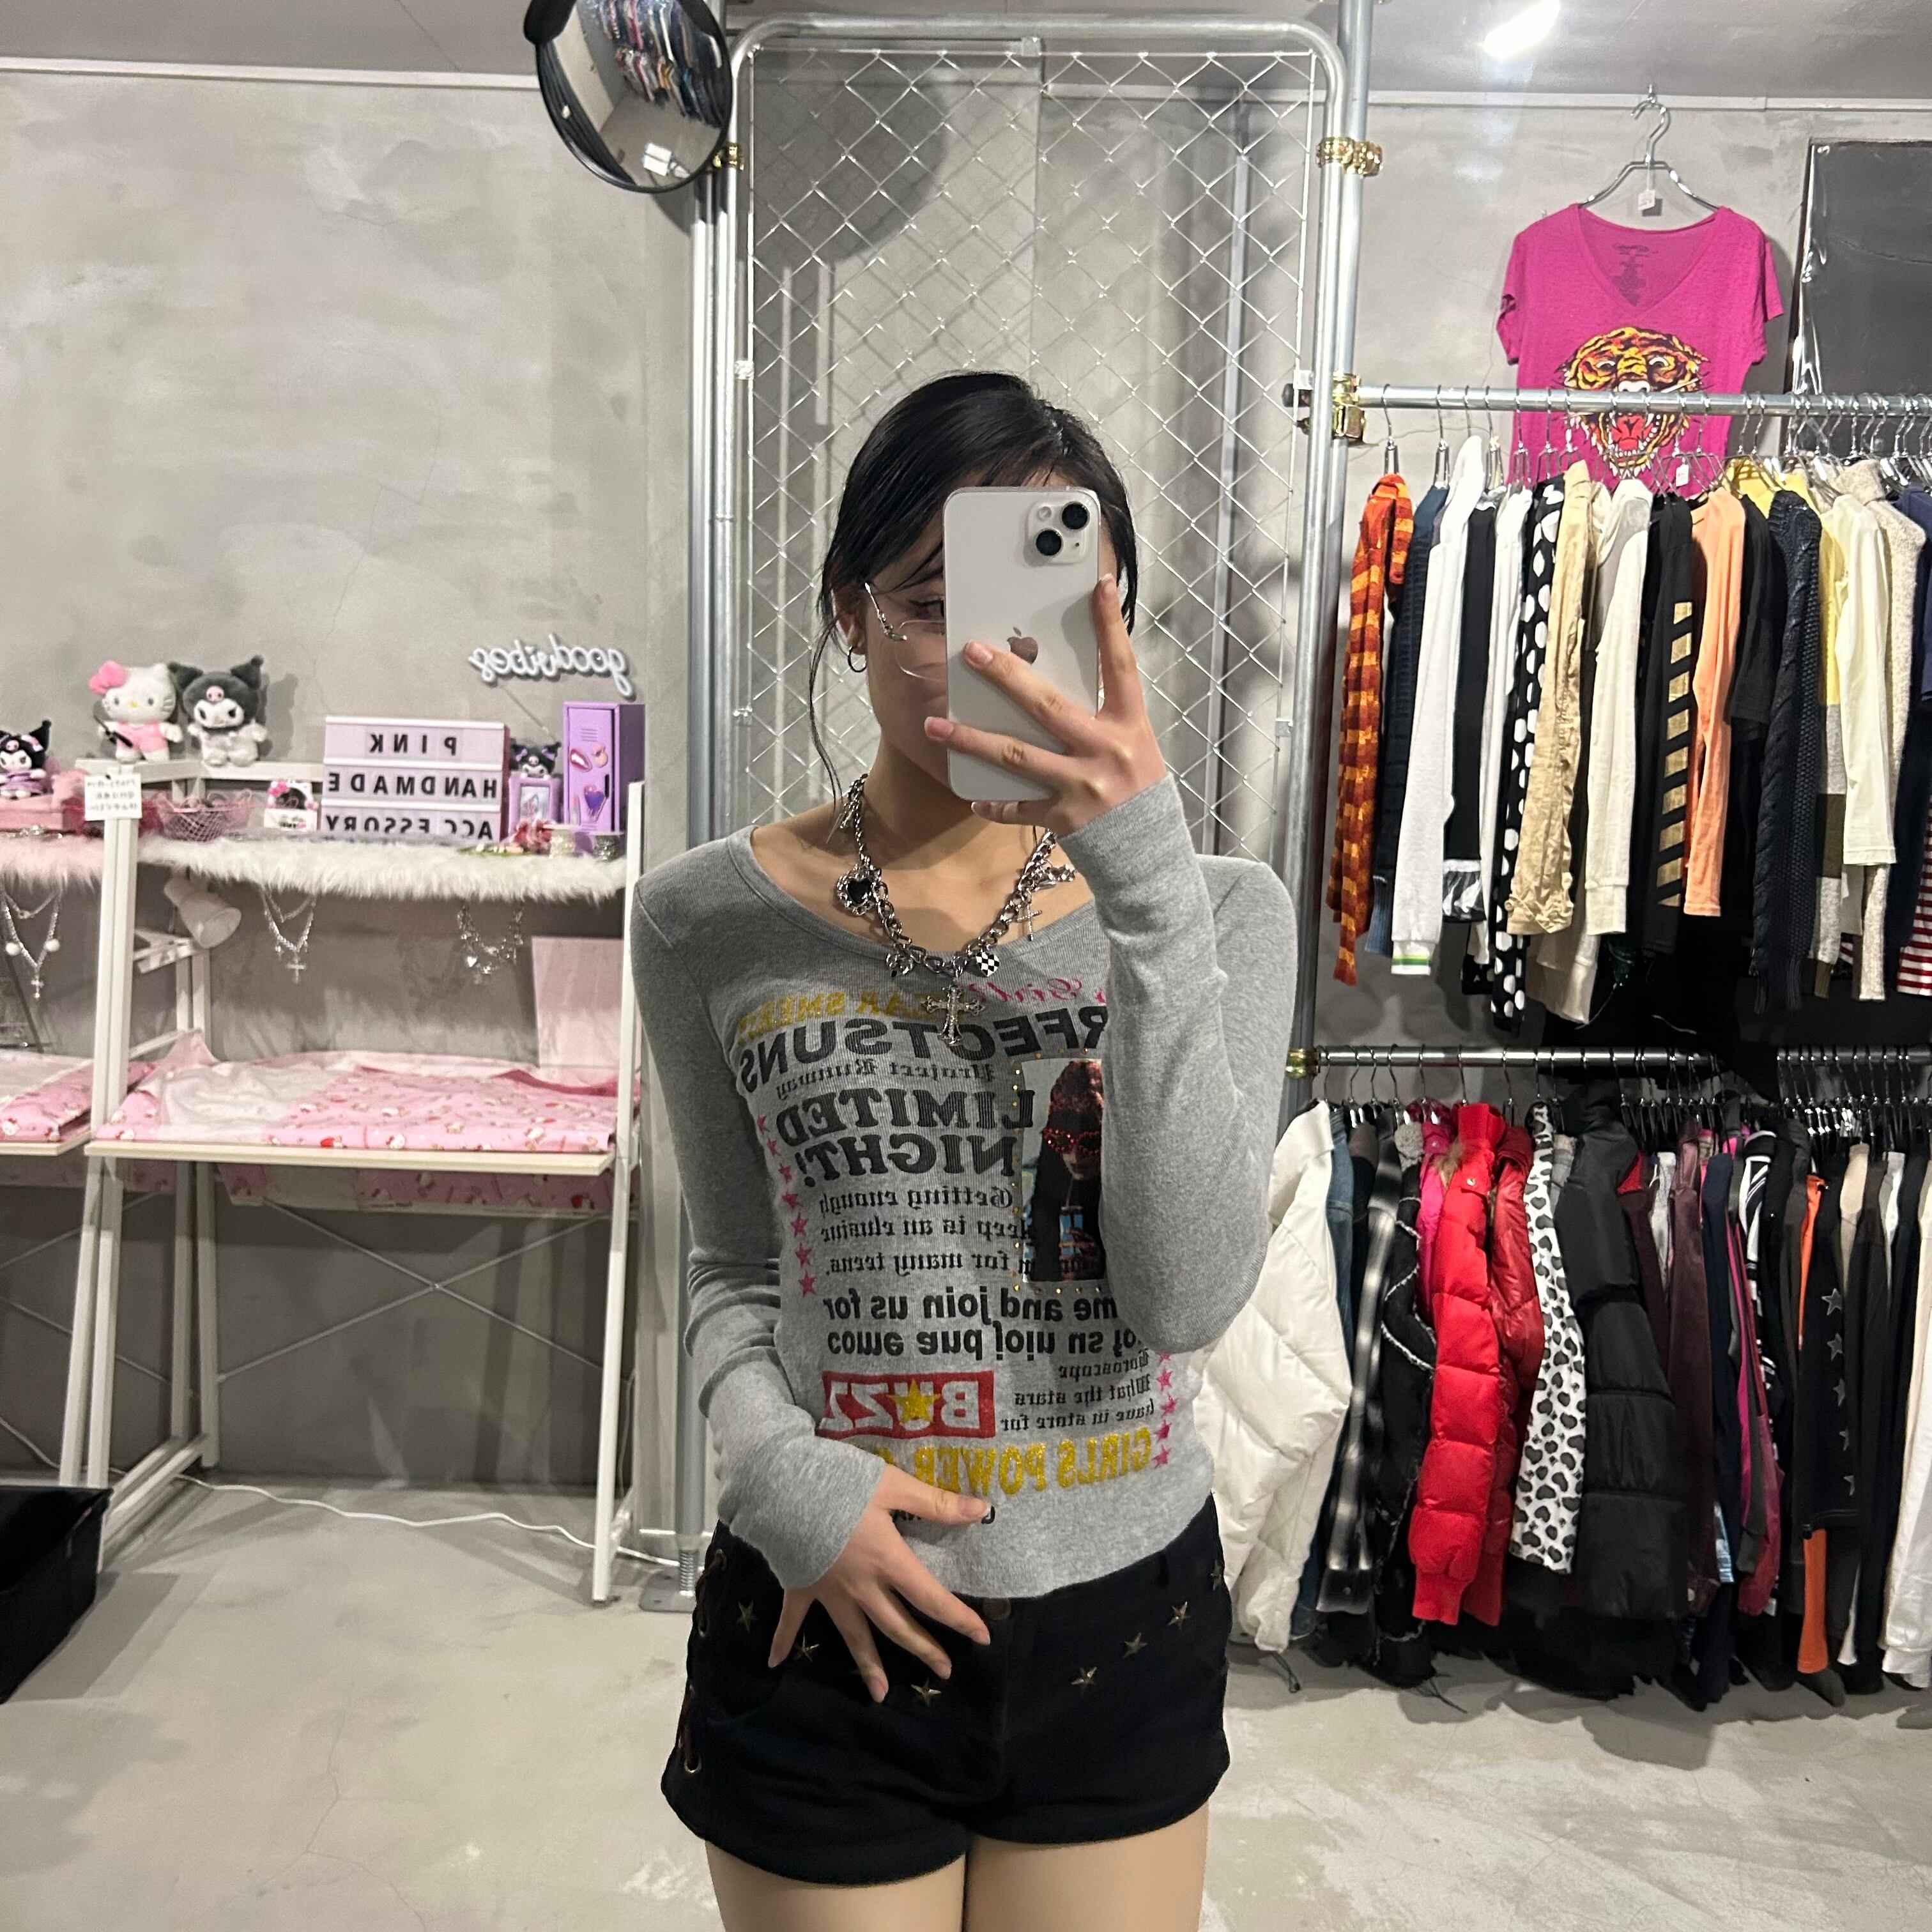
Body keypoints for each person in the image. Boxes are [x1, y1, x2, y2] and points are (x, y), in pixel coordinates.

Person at [634, 370, 1295, 1932]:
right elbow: (732, 1266)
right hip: (825, 1605)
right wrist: (779, 1475)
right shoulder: (703, 919)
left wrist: (1147, 893)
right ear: (847, 611)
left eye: (1046, 610)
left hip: (1122, 1619)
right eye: (933, 606)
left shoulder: (1218, 912)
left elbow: (1185, 1298)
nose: (991, 658)